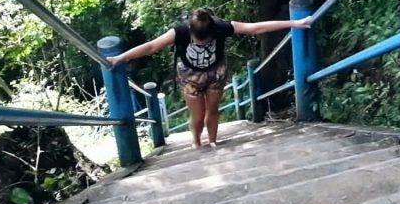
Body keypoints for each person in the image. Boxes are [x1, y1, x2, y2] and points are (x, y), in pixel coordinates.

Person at [106, 8, 310, 149]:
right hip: (190, 74)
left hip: (216, 72)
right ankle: (196, 141)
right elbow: (151, 46)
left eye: (207, 41)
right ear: (190, 32)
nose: (203, 45)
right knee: (197, 114)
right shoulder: (180, 31)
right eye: (198, 42)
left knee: (212, 110)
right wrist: (120, 58)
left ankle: (213, 141)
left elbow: (254, 28)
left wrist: (295, 23)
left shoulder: (221, 26)